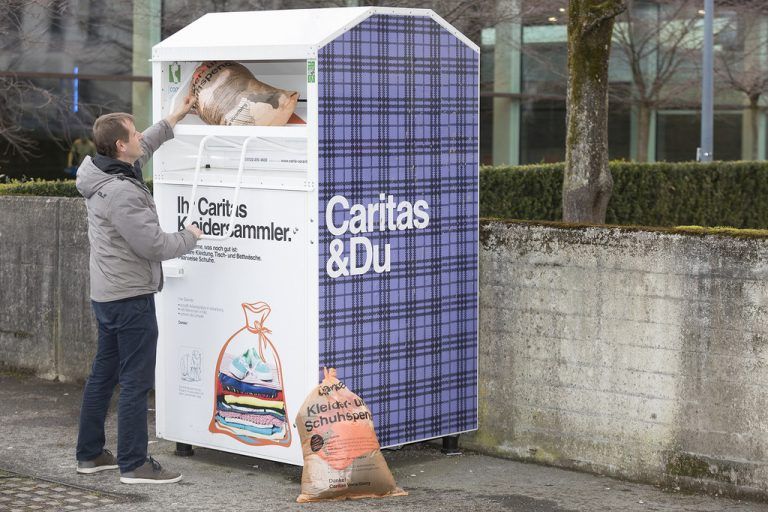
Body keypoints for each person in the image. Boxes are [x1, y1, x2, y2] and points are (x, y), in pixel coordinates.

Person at [74, 96, 203, 484]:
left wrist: (175, 117)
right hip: (130, 297)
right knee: (135, 380)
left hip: (107, 294)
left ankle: (91, 454)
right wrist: (190, 236)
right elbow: (154, 246)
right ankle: (134, 463)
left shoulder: (104, 172)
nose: (137, 137)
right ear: (119, 145)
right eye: (132, 133)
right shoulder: (123, 192)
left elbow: (146, 143)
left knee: (103, 374)